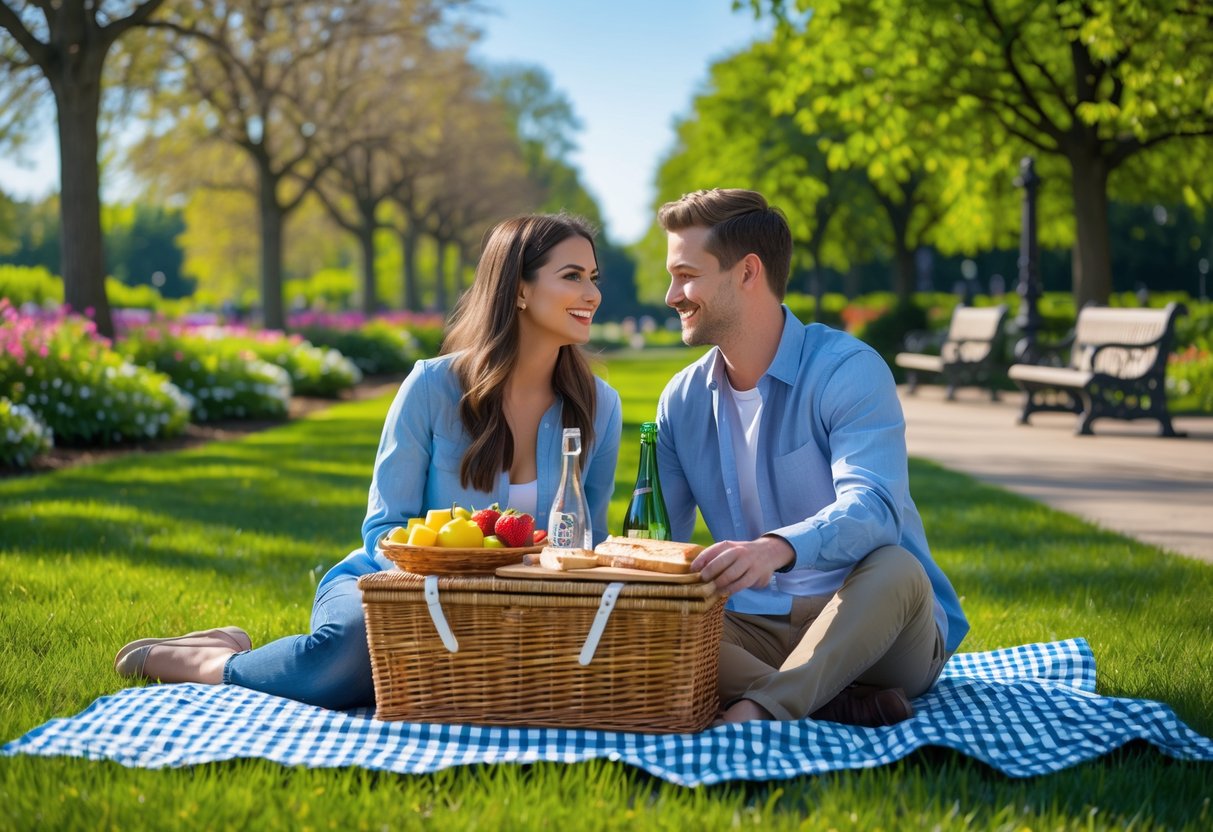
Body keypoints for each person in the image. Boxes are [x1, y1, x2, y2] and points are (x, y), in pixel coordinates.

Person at [114, 213, 623, 710]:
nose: (592, 294)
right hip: (397, 590)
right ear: (518, 289)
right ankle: (212, 662)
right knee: (352, 655)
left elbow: (587, 543)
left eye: (593, 278)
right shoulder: (431, 387)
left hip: (520, 611)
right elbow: (386, 524)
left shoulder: (600, 405)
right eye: (572, 276)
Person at [654, 189, 967, 726]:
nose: (671, 295)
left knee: (898, 566)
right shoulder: (680, 402)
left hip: (872, 629)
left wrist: (776, 549)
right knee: (640, 616)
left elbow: (875, 507)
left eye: (686, 274)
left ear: (748, 272)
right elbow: (660, 546)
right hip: (750, 627)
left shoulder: (847, 369)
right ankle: (824, 702)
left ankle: (759, 705)